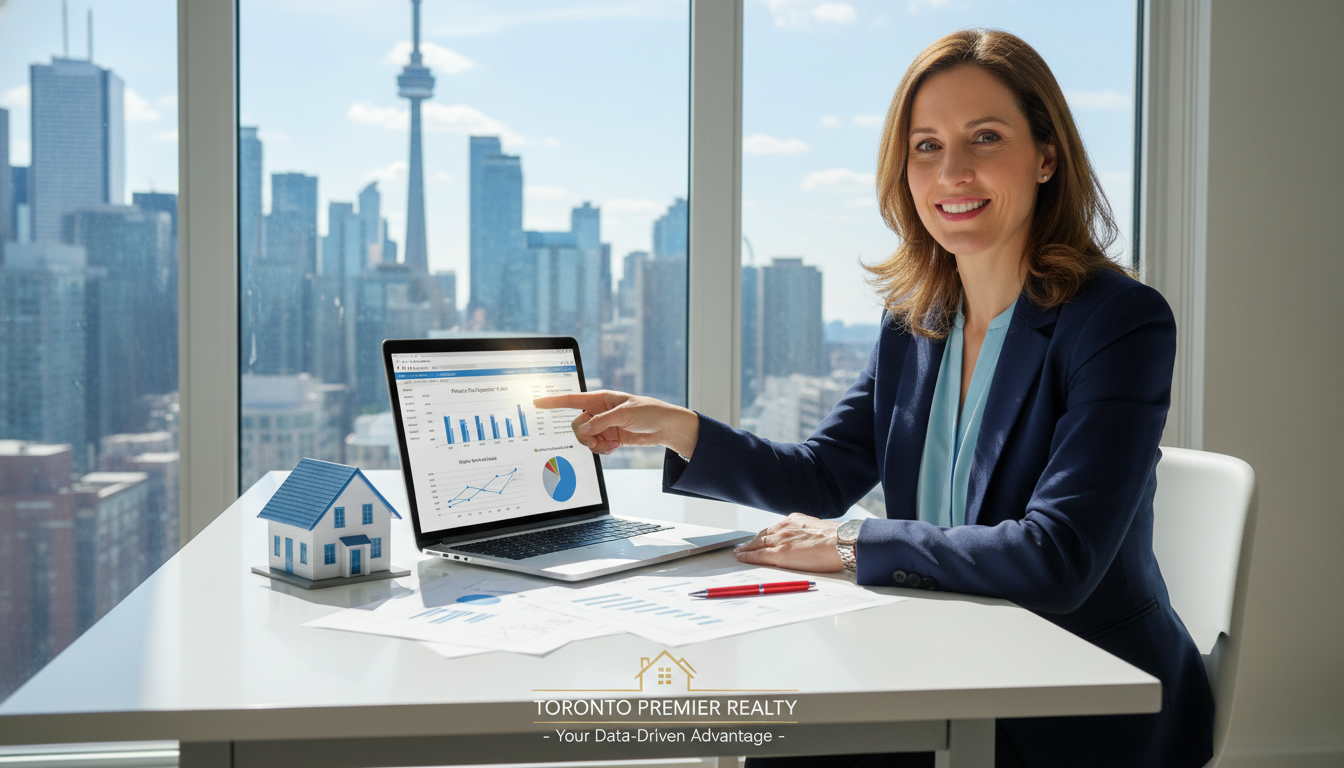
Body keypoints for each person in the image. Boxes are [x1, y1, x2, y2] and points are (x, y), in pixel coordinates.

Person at [535, 29, 1213, 768]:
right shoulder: (915, 323)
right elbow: (825, 477)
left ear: (1046, 156)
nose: (952, 171)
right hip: (942, 658)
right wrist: (681, 429)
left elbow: (1060, 556)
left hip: (1076, 700)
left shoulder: (1117, 321)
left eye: (984, 138)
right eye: (926, 146)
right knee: (762, 735)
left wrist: (852, 543)